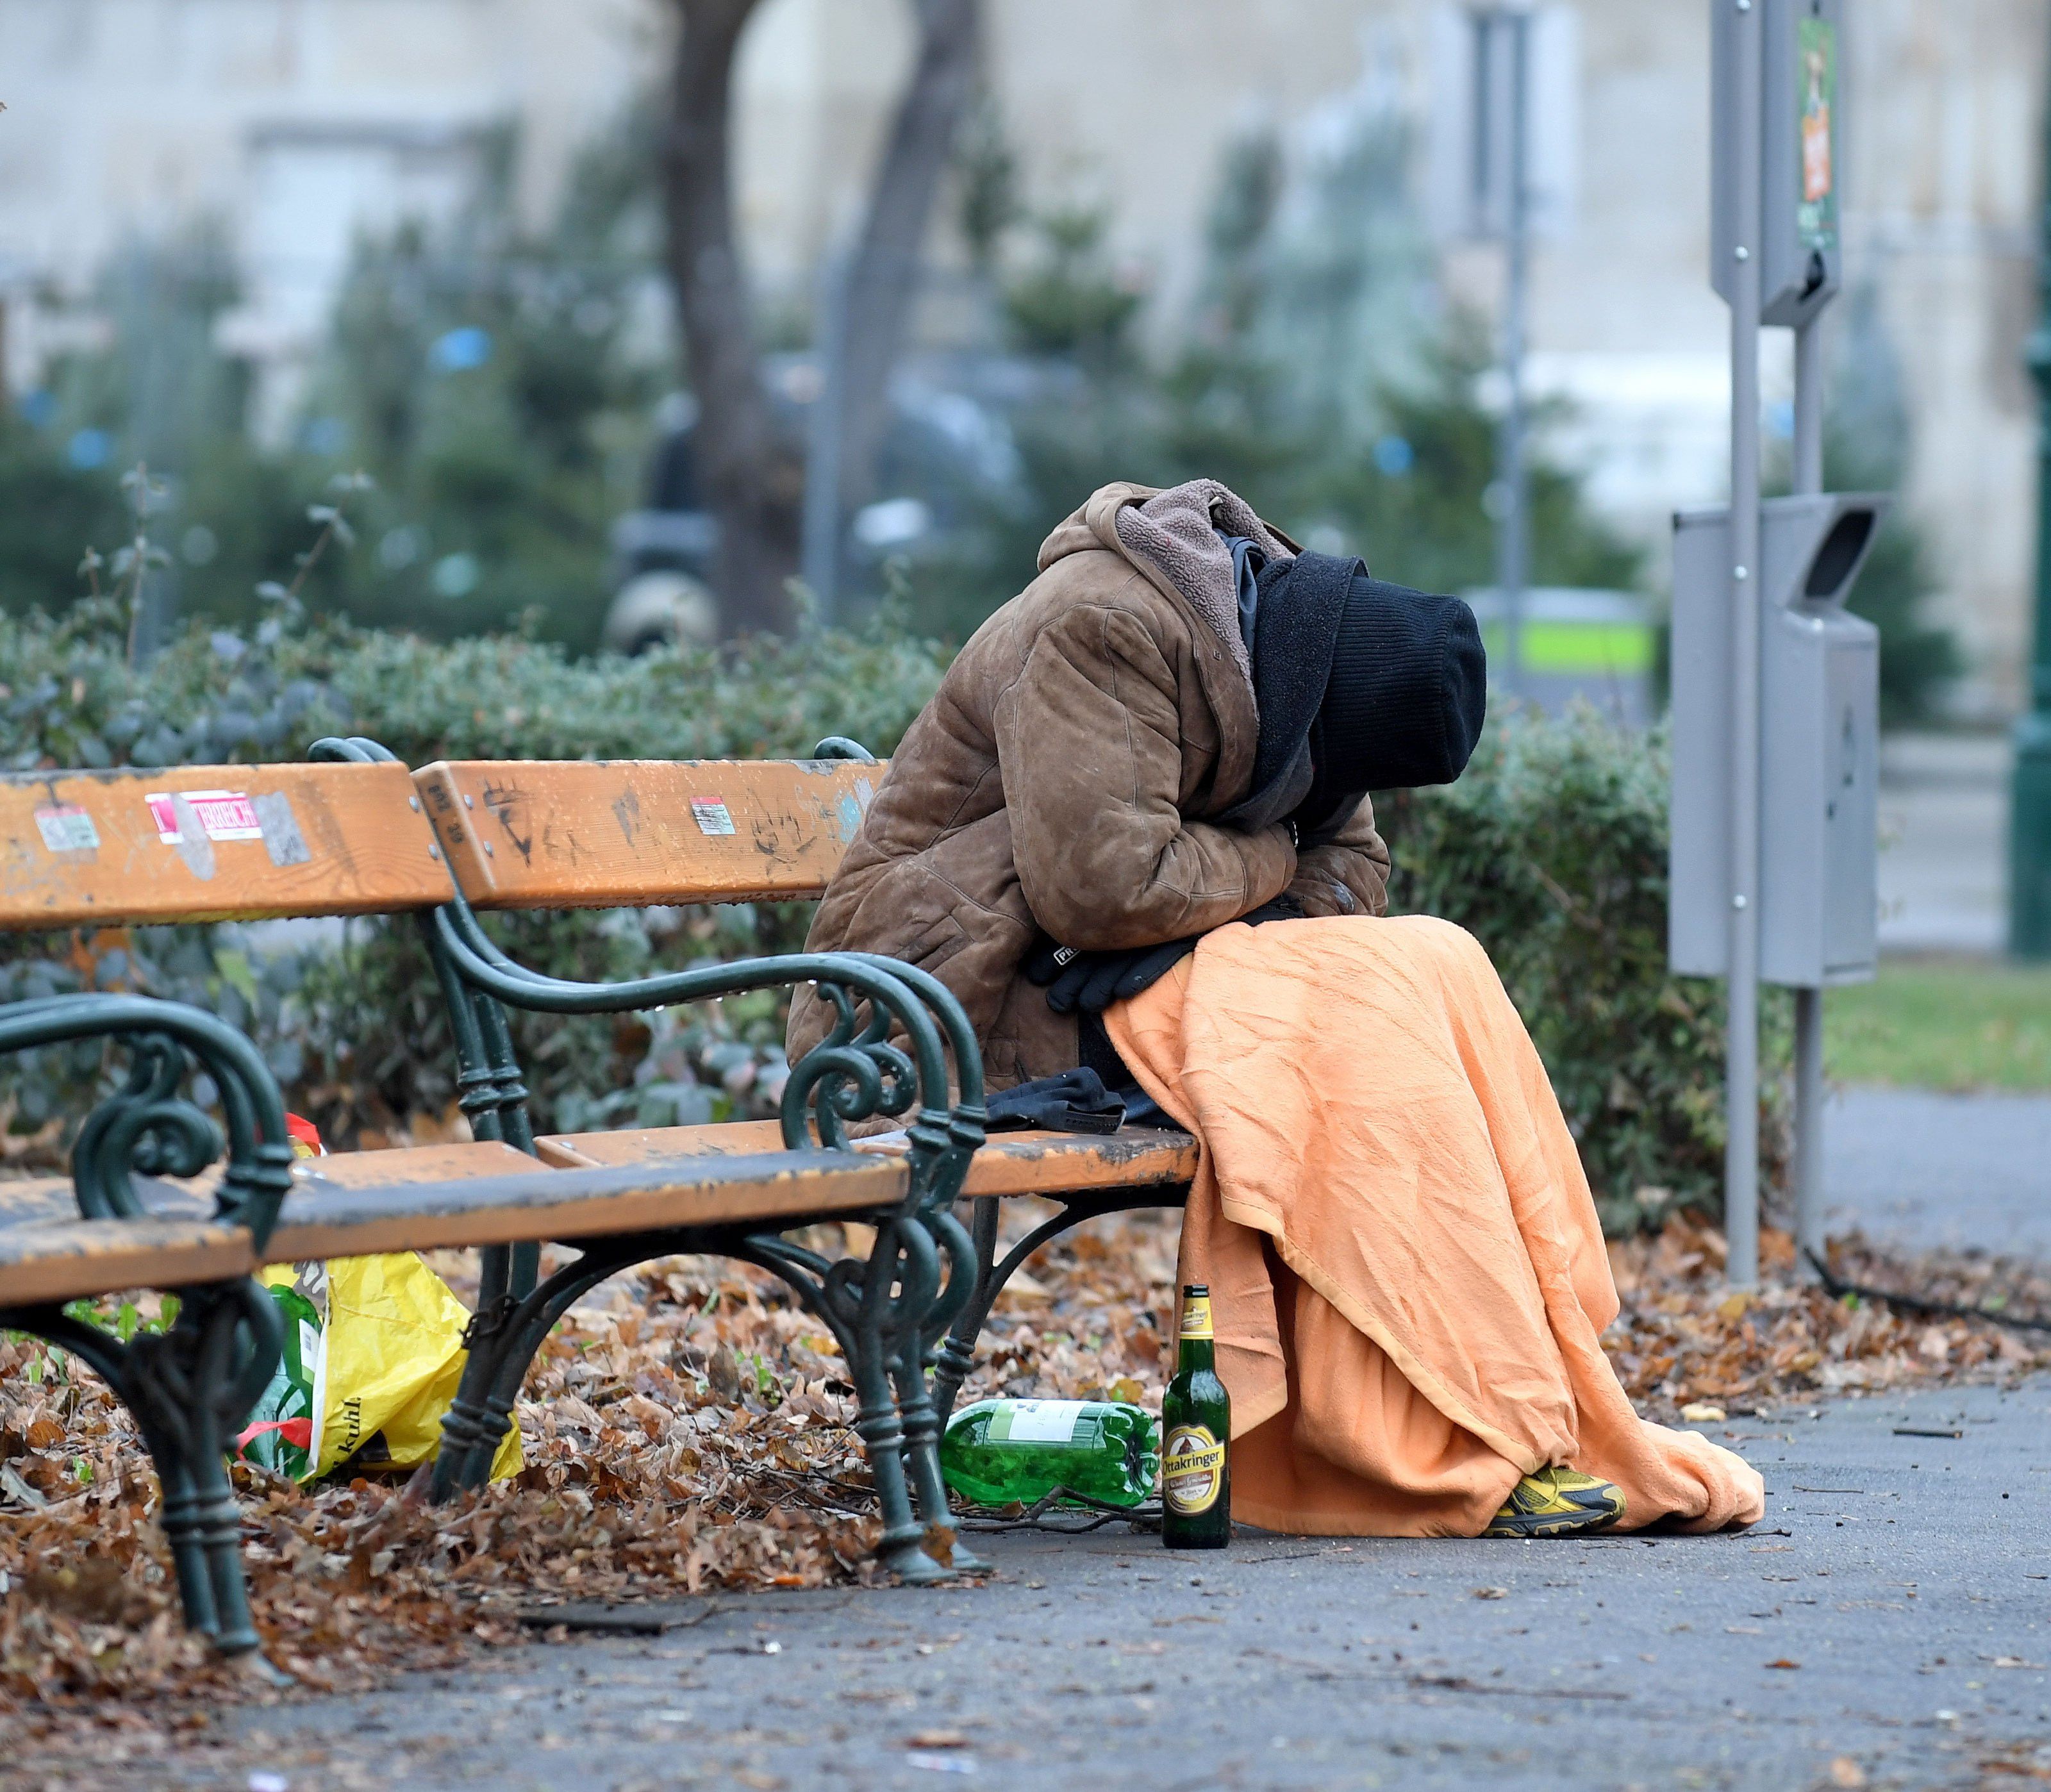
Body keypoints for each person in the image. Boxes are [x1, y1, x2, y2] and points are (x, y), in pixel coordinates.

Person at [792, 479, 1764, 1539]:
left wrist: (1236, 889)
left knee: (1431, 961)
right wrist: (1273, 858)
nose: (1323, 793)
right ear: (1316, 685)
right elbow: (1105, 887)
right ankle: (1437, 1426)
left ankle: (1517, 1397)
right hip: (942, 1004)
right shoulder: (1106, 626)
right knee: (1353, 1012)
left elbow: (1353, 876)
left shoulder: (1296, 668)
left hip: (1107, 976)